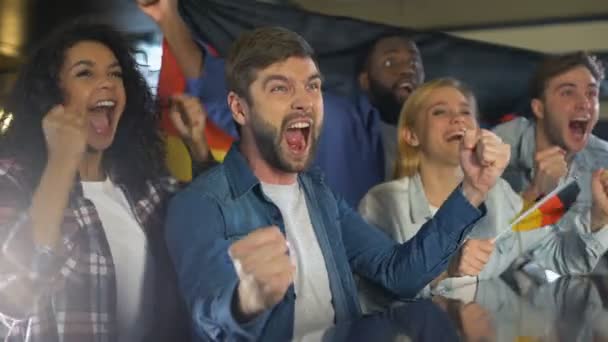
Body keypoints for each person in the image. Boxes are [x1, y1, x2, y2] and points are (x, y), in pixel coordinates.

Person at [165, 26, 510, 341]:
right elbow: (206, 313)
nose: (304, 101)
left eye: (312, 86)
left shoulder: (319, 194)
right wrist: (245, 300)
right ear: (240, 110)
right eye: (280, 88)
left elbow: (399, 274)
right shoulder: (200, 202)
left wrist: (473, 188)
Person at [0, 20, 212, 341]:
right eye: (86, 73)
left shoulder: (143, 187)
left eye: (115, 74)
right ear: (51, 96)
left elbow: (217, 227)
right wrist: (60, 163)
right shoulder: (12, 180)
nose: (108, 84)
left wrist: (198, 146)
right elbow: (14, 295)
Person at [138, 0, 424, 206]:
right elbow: (215, 85)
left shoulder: (450, 127)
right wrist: (169, 19)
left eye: (414, 62)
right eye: (390, 61)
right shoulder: (331, 119)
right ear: (364, 80)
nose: (406, 69)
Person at [358, 78, 607, 311]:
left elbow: (558, 258)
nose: (458, 120)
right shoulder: (382, 203)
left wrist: (599, 218)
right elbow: (376, 300)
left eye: (466, 112)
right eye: (440, 112)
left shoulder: (499, 193)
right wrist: (448, 273)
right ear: (411, 135)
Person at [493, 51, 608, 275]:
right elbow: (483, 255)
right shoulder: (498, 149)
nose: (585, 103)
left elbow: (566, 262)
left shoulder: (603, 160)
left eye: (591, 93)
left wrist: (598, 220)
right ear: (539, 108)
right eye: (567, 92)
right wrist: (536, 195)